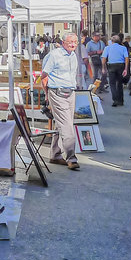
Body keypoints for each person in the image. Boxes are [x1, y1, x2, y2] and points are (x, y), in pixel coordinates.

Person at [38, 33, 81, 171]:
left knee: (62, 123)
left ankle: (55, 154)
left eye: (75, 42)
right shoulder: (54, 55)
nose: (73, 44)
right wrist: (47, 94)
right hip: (57, 92)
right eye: (70, 42)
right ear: (63, 42)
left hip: (70, 92)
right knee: (67, 126)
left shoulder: (73, 55)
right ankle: (71, 158)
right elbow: (44, 75)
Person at [102, 32, 129, 107]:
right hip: (121, 65)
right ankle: (120, 100)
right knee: (119, 83)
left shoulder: (107, 48)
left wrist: (103, 68)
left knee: (112, 83)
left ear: (112, 41)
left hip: (111, 65)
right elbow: (126, 58)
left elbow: (104, 58)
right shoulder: (123, 48)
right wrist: (126, 69)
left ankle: (115, 100)